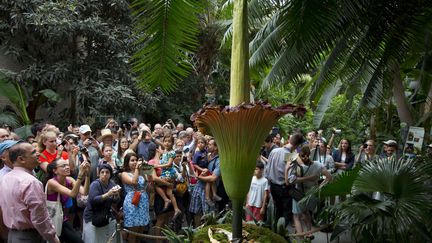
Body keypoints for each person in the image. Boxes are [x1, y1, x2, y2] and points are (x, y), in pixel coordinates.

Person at [0, 142, 60, 243]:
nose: (38, 154)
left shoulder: (6, 178)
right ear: (21, 159)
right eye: (33, 152)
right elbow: (40, 218)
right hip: (29, 237)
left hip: (13, 235)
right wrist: (53, 238)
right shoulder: (30, 182)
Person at [287, 146, 332, 240]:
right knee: (307, 213)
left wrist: (292, 157)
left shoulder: (297, 165)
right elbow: (329, 177)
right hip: (312, 193)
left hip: (299, 194)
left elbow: (291, 180)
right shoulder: (317, 164)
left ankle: (301, 239)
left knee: (296, 216)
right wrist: (319, 187)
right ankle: (309, 233)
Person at [46, 158, 90, 243]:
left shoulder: (69, 180)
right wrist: (80, 175)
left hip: (62, 219)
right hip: (52, 220)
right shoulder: (52, 182)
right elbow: (72, 194)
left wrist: (87, 175)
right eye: (63, 166)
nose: (67, 167)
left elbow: (84, 192)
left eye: (67, 165)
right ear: (55, 171)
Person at [265, 133, 304, 224]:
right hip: (284, 188)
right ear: (298, 145)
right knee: (286, 213)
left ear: (290, 140)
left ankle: (276, 231)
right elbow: (290, 178)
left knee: (277, 210)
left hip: (273, 186)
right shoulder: (291, 155)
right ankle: (281, 233)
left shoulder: (275, 151)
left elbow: (267, 170)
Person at [82, 164, 121, 243]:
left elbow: (116, 201)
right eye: (102, 172)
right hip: (93, 216)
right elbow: (94, 200)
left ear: (110, 174)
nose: (104, 174)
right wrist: (108, 194)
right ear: (98, 174)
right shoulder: (95, 184)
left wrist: (116, 195)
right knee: (94, 239)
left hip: (105, 215)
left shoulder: (112, 184)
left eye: (107, 172)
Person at [189, 138, 222, 226]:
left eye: (210, 144)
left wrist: (198, 177)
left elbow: (213, 178)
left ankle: (207, 232)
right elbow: (195, 163)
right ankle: (197, 231)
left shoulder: (219, 160)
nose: (208, 145)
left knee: (208, 214)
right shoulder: (206, 154)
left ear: (216, 147)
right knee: (196, 211)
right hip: (198, 187)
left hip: (208, 189)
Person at [120, 153, 150, 243]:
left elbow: (150, 180)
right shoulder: (124, 174)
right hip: (132, 202)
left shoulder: (141, 173)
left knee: (141, 229)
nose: (135, 162)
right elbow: (134, 182)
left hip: (143, 200)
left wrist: (146, 168)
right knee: (133, 231)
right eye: (132, 160)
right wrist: (137, 168)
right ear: (127, 162)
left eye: (136, 160)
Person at [154, 135, 182, 218]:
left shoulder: (172, 152)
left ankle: (166, 200)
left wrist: (157, 166)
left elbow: (169, 164)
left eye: (169, 141)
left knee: (157, 184)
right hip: (165, 172)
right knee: (169, 192)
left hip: (169, 173)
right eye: (165, 141)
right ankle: (176, 209)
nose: (167, 143)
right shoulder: (165, 151)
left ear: (172, 143)